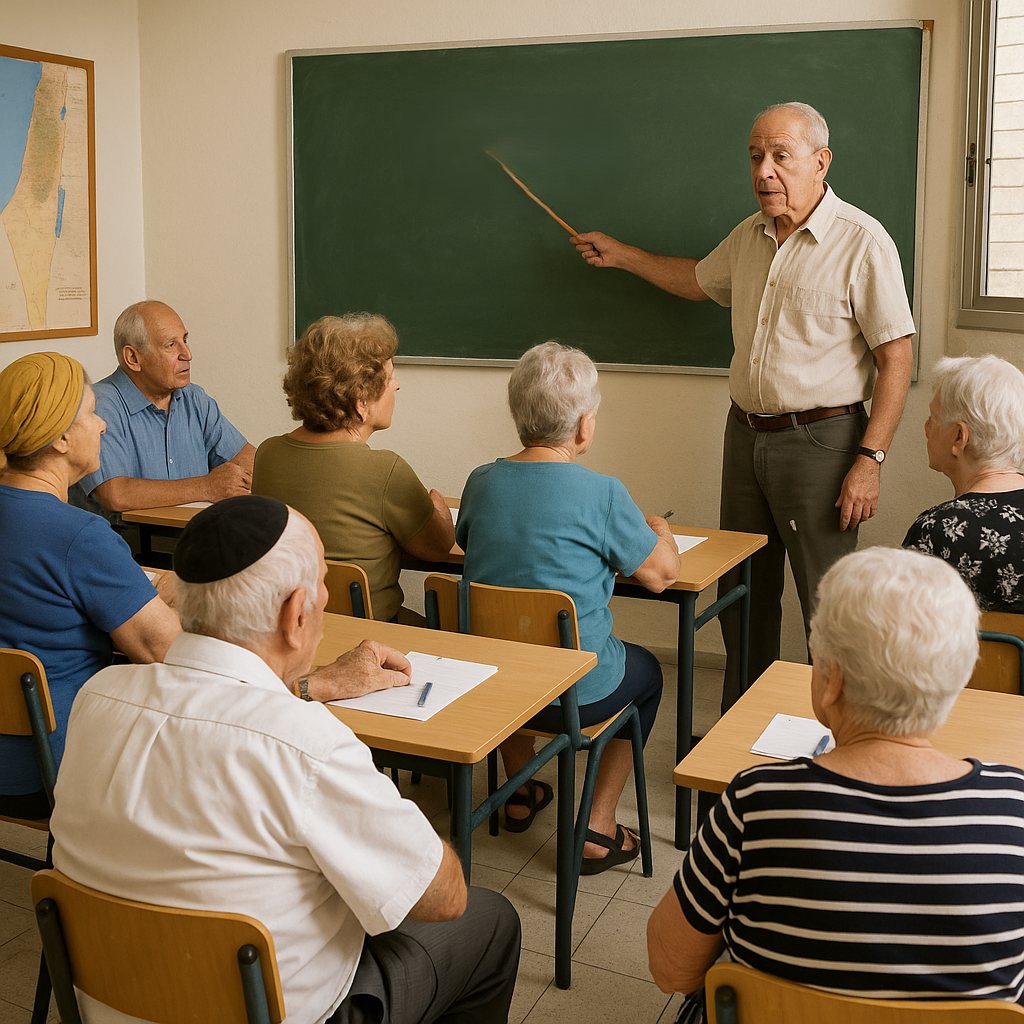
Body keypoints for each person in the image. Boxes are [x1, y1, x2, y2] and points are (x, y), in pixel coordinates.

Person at [51, 495, 521, 1024]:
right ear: (296, 615)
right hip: (270, 1011)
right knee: (488, 919)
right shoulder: (308, 746)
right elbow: (442, 899)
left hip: (113, 1002)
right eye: (321, 583)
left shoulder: (97, 697)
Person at [572, 101, 915, 711]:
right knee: (743, 591)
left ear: (820, 161)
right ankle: (744, 728)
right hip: (745, 436)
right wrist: (622, 254)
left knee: (828, 602)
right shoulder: (749, 234)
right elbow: (698, 280)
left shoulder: (862, 241)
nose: (765, 171)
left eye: (781, 156)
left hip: (825, 443)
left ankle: (832, 740)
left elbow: (898, 357)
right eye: (756, 156)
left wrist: (871, 458)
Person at [647, 547, 1024, 1008]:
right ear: (958, 675)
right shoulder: (1015, 811)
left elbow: (671, 970)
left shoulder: (757, 803)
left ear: (833, 680)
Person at [456, 342, 679, 873]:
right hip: (575, 694)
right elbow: (661, 576)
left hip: (491, 684)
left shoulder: (481, 483)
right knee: (648, 674)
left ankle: (518, 792)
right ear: (584, 427)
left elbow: (469, 544)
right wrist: (662, 531)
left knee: (509, 645)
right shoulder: (602, 494)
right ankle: (597, 830)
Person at [0, 352, 180, 819]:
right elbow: (168, 653)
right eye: (91, 413)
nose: (101, 426)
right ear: (60, 438)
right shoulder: (81, 536)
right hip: (49, 769)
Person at [253, 313, 454, 623]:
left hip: (291, 626)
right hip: (371, 634)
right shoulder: (385, 470)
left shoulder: (267, 454)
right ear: (360, 401)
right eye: (389, 377)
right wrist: (438, 506)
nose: (397, 386)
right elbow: (439, 548)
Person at [74, 299, 255, 514]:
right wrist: (207, 486)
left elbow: (251, 463)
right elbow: (116, 494)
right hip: (128, 543)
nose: (187, 354)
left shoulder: (194, 398)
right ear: (133, 358)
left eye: (185, 340)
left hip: (193, 538)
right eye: (171, 345)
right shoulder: (99, 404)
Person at [903, 354, 1024, 612]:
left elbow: (905, 635)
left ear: (959, 437)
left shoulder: (936, 532)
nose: (926, 428)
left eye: (932, 419)